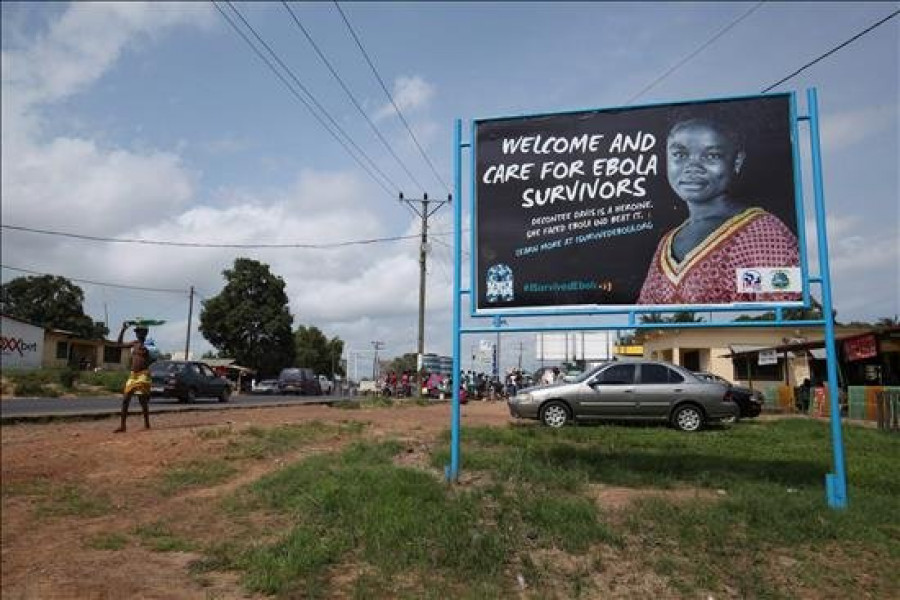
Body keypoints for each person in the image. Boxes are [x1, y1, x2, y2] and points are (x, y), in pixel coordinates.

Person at [638, 116, 800, 304]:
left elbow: (783, 312)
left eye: (711, 156)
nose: (692, 167)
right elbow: (644, 317)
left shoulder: (761, 233)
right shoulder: (667, 243)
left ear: (737, 161)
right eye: (680, 155)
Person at [115, 321, 153, 433]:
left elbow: (153, 357)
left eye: (139, 332)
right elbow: (119, 345)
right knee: (125, 399)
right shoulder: (134, 343)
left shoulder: (149, 344)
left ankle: (147, 424)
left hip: (143, 375)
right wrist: (123, 329)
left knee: (142, 401)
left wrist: (147, 351)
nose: (137, 334)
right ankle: (123, 426)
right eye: (136, 332)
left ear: (145, 333)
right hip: (133, 375)